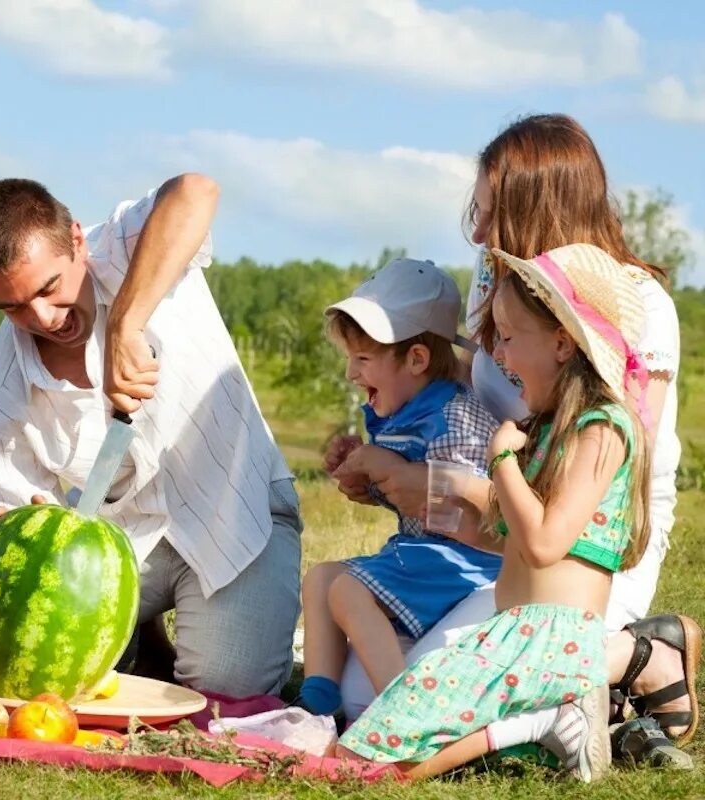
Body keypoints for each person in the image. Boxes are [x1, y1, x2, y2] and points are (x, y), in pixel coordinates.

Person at [337, 114, 696, 765]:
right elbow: (471, 397)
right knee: (363, 692)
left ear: (542, 208)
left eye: (491, 210)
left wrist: (470, 490)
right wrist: (397, 462)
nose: (475, 231)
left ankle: (635, 654)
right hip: (501, 528)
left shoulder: (635, 305)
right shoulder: (499, 285)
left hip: (584, 549)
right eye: (473, 208)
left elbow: (613, 478)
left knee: (406, 702)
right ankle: (602, 702)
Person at [0, 175, 301, 696]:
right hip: (121, 537)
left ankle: (143, 635)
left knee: (226, 687)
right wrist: (13, 535)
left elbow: (195, 191)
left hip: (239, 512)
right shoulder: (0, 404)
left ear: (76, 240)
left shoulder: (121, 245)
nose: (43, 318)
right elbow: (32, 543)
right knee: (37, 665)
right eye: (13, 307)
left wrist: (125, 325)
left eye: (50, 288)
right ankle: (140, 632)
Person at [336, 242, 650, 781]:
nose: (497, 357)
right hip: (513, 633)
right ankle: (543, 728)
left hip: (548, 641)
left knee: (374, 763)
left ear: (561, 342)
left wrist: (502, 459)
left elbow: (546, 544)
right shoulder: (549, 430)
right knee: (368, 737)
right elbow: (506, 537)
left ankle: (549, 717)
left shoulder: (601, 429)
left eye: (506, 338)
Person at [296, 259, 500, 718]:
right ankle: (316, 705)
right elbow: (406, 494)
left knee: (347, 590)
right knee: (322, 578)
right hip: (425, 555)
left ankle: (401, 712)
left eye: (363, 359)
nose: (351, 373)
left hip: (464, 562)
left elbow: (477, 511)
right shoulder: (405, 408)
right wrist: (367, 480)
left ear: (416, 359)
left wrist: (387, 468)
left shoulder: (454, 416)